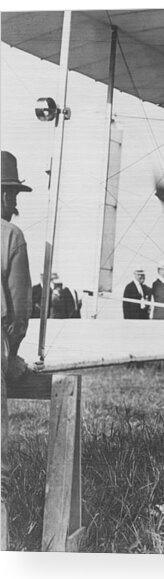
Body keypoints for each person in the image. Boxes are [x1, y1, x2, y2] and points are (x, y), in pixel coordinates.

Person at [1, 150, 33, 551]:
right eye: (10, 194)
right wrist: (11, 357)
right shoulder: (11, 236)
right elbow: (19, 311)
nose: (14, 203)